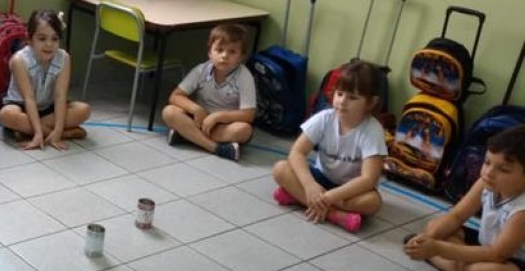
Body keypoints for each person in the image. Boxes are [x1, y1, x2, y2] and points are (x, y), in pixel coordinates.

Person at [404, 124, 525, 271]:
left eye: (504, 170)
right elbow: (457, 216)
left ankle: (444, 263)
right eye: (487, 162)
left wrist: (437, 249)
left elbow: (496, 255)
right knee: (435, 226)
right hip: (488, 245)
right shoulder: (486, 183)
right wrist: (427, 238)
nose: (489, 172)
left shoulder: (521, 211)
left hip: (513, 261)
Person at [270, 61, 387, 233]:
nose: (342, 102)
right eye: (339, 94)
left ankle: (301, 199)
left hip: (349, 190)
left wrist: (332, 196)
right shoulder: (325, 118)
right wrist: (310, 185)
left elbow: (369, 179)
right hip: (321, 178)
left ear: (371, 103)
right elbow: (297, 152)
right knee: (280, 169)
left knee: (373, 203)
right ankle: (334, 214)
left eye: (353, 97)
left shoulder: (372, 130)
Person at [0, 8, 90, 150]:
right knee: (6, 115)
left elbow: (60, 96)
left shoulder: (64, 58)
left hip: (49, 109)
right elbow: (28, 98)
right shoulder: (19, 60)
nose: (49, 44)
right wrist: (38, 133)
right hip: (22, 107)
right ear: (29, 39)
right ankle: (61, 133)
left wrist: (58, 130)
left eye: (54, 39)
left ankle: (29, 131)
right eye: (42, 39)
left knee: (84, 110)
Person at [162, 23, 257, 161]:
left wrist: (218, 117)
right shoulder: (201, 70)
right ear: (210, 53)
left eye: (232, 52)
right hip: (199, 120)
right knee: (169, 112)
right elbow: (175, 96)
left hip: (224, 124)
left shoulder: (244, 76)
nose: (224, 56)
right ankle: (217, 148)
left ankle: (188, 135)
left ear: (241, 56)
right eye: (219, 50)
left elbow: (248, 115)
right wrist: (196, 109)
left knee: (244, 130)